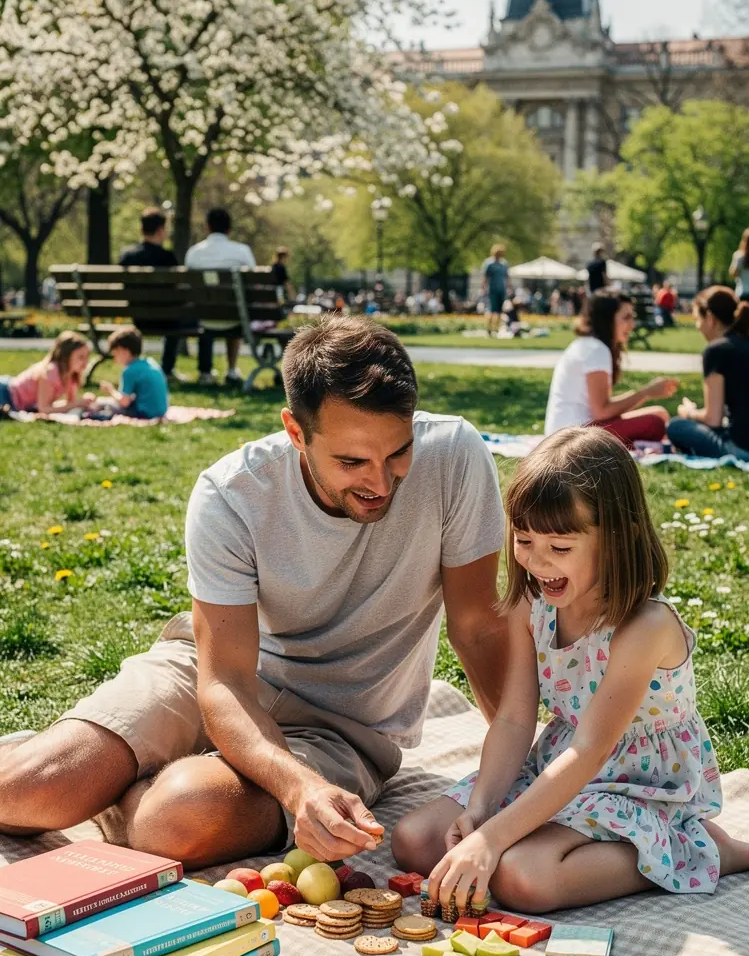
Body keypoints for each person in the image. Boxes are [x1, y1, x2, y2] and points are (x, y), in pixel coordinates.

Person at [0, 318, 509, 869]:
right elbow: (226, 682)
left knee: (175, 819)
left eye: (398, 454)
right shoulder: (232, 494)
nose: (381, 484)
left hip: (343, 727)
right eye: (351, 462)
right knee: (29, 791)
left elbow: (478, 628)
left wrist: (527, 764)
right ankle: (116, 776)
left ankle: (130, 791)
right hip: (212, 675)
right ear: (296, 432)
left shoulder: (455, 456)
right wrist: (298, 791)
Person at [391, 427, 749, 912]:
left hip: (637, 782)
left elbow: (590, 750)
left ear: (617, 537)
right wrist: (479, 811)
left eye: (560, 547)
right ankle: (524, 838)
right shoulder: (531, 605)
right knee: (414, 840)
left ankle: (695, 848)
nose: (537, 561)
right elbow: (514, 719)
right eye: (524, 540)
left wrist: (492, 840)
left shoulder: (645, 627)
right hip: (558, 763)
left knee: (522, 878)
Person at [667, 287, 749, 460]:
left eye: (697, 319)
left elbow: (713, 419)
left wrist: (689, 413)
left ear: (710, 318)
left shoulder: (716, 350)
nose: (697, 326)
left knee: (676, 426)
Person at [543, 290, 677, 447]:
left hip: (569, 431)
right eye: (626, 317)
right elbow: (601, 411)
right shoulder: (596, 350)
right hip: (572, 438)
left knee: (660, 413)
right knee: (656, 422)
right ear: (607, 320)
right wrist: (646, 393)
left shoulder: (588, 344)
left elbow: (600, 410)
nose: (632, 324)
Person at [185, 208, 256, 384]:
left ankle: (205, 373)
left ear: (207, 227)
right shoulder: (242, 252)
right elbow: (253, 284)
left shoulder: (194, 253)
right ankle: (231, 370)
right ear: (229, 229)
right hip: (235, 317)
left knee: (209, 308)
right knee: (234, 308)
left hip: (202, 316)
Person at [119, 207, 181, 379]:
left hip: (138, 318)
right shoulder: (167, 258)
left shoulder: (127, 256)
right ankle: (167, 369)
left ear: (141, 228)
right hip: (167, 320)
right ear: (161, 230)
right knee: (179, 315)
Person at [0, 332, 92, 414]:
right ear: (66, 356)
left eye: (87, 356)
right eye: (81, 357)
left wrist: (83, 401)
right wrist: (76, 404)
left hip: (13, 399)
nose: (86, 362)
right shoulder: (50, 372)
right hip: (5, 394)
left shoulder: (72, 375)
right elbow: (44, 409)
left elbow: (70, 403)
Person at [93, 327, 169, 419]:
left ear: (124, 351)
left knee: (105, 405)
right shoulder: (150, 362)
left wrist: (110, 390)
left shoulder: (129, 371)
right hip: (161, 411)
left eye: (115, 353)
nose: (114, 358)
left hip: (145, 413)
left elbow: (124, 402)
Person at [481, 244, 509, 334]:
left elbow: (507, 277)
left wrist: (509, 288)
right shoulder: (489, 263)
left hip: (502, 289)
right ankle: (489, 329)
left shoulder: (504, 264)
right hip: (492, 290)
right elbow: (485, 277)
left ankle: (496, 329)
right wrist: (483, 288)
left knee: (500, 311)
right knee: (492, 310)